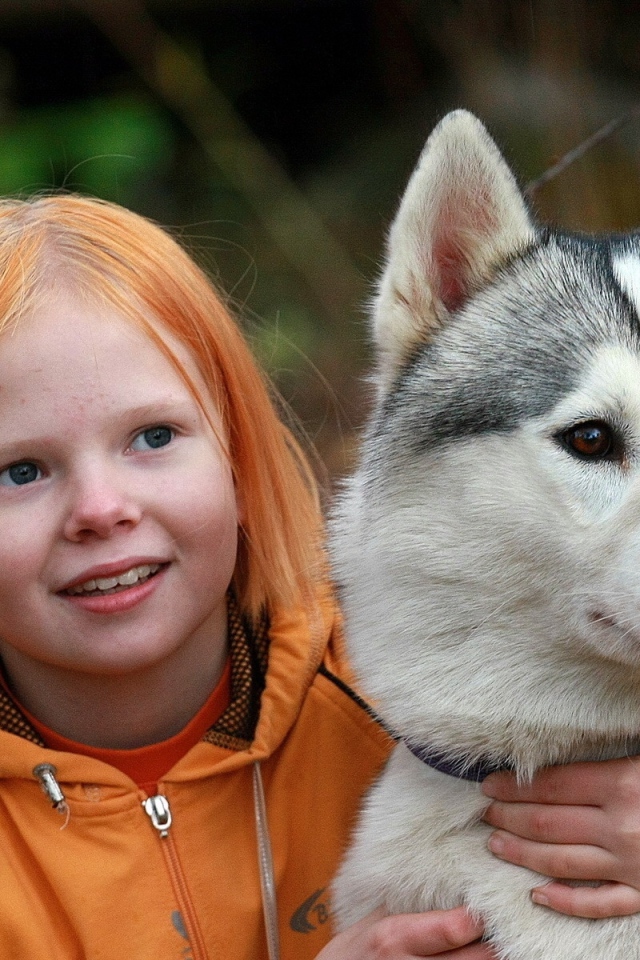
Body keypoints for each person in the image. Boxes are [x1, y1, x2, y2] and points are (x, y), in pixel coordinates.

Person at [0, 194, 638, 960]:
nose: (101, 510)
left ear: (239, 447)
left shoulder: (394, 684)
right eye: (20, 470)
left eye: (154, 436)